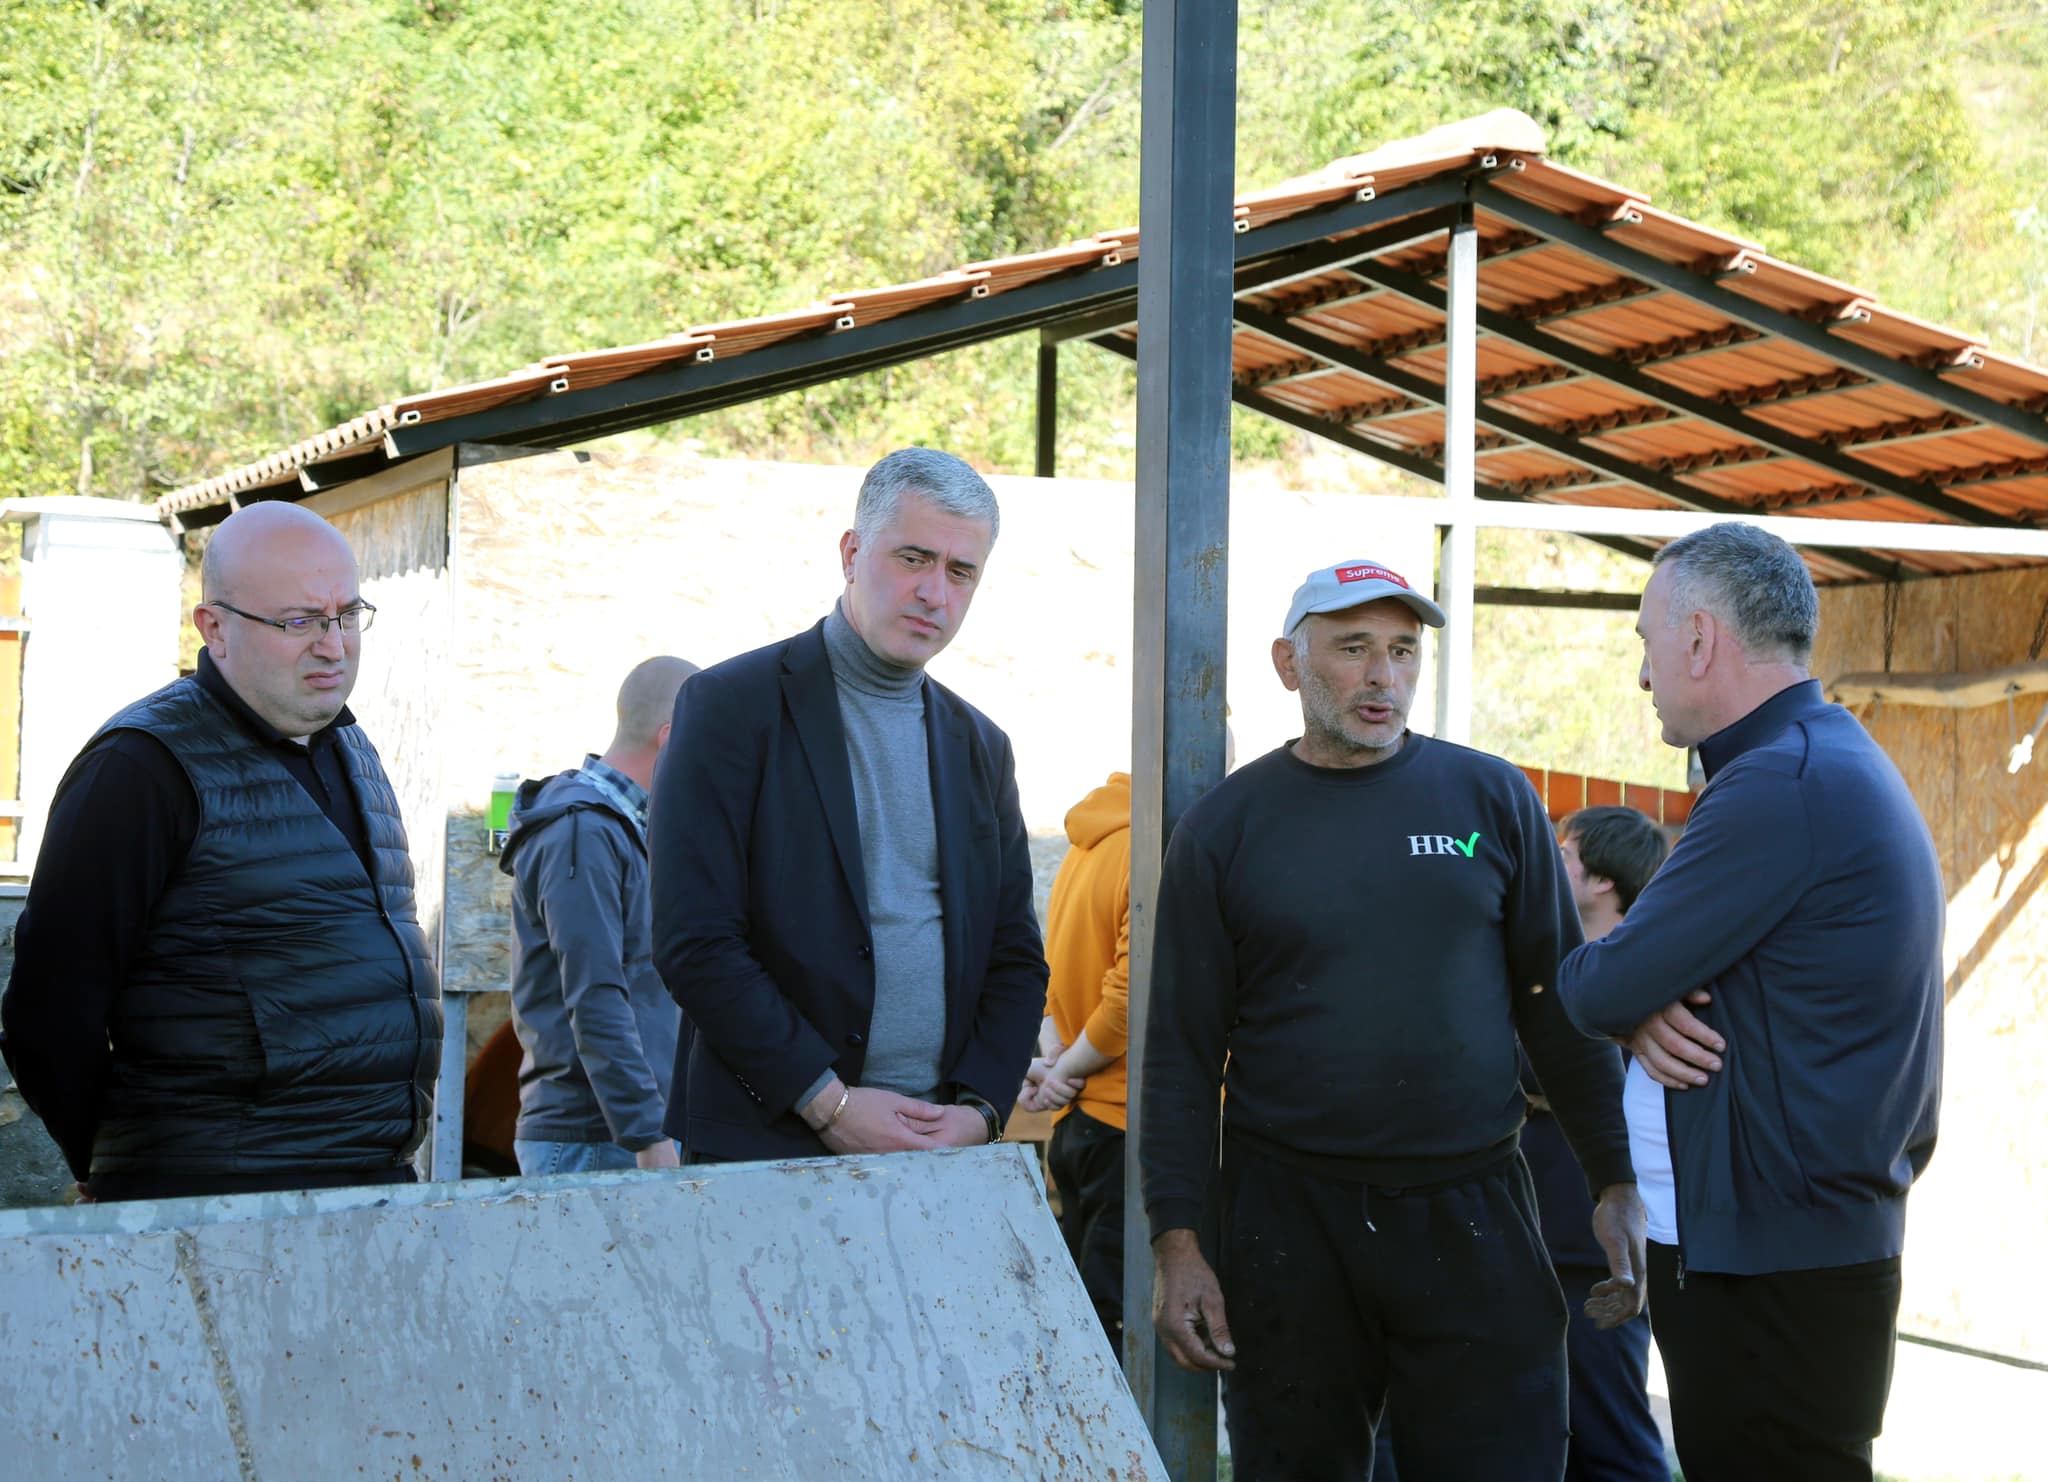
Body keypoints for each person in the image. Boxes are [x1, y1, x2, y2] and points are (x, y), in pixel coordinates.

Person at [1142, 557, 1643, 1482]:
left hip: (1472, 1206)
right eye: (1353, 649)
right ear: (1290, 664)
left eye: (1403, 651)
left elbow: (1556, 1006)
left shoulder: (1490, 799)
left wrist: (1616, 1178)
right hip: (1289, 1217)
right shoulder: (1224, 828)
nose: (1383, 677)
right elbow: (1179, 1054)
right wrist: (1177, 1244)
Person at [1559, 522, 1944, 1482]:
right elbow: (1658, 987)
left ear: (1698, 639)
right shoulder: (1819, 759)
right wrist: (1641, 1007)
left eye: (1648, 642)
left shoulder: (1779, 782)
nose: (1642, 676)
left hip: (1774, 1269)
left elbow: (1596, 983)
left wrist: (1630, 999)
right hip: (1791, 1250)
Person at [0, 501, 440, 1202]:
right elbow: (50, 1008)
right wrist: (119, 1170)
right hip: (209, 1203)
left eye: (347, 615)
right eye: (299, 621)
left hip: (369, 1187)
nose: (333, 646)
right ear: (215, 628)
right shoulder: (140, 768)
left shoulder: (351, 748)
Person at [650, 447, 1046, 1162]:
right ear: (852, 553)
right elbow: (695, 940)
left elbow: (1015, 957)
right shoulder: (729, 708)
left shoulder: (982, 746)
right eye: (914, 558)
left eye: (961, 571)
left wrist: (982, 1110)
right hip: (766, 1146)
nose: (935, 592)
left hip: (938, 1148)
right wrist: (825, 1101)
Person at [501, 657, 699, 1177]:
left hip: (622, 1137)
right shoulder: (583, 833)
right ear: (670, 736)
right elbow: (595, 994)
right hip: (595, 1141)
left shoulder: (624, 829)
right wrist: (648, 1132)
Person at [1026, 769, 1135, 1350]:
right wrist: (1064, 1073)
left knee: (1079, 1325)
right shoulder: (1151, 849)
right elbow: (1128, 998)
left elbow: (1048, 971)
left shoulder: (1085, 844)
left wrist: (1055, 1062)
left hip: (1074, 1125)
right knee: (1113, 1335)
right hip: (1124, 1124)